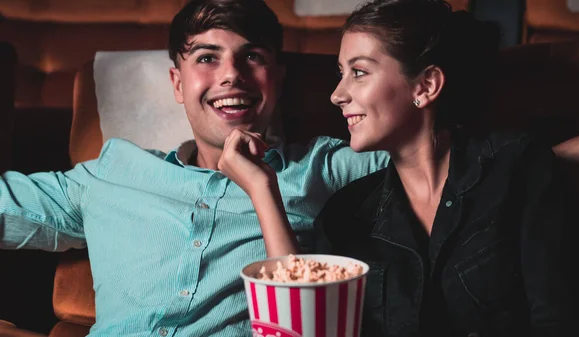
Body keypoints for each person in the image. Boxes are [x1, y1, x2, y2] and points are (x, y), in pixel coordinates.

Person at [0, 1, 389, 336]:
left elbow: (433, 157)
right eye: (206, 57)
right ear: (177, 83)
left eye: (253, 56)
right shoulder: (111, 172)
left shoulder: (327, 168)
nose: (232, 74)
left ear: (278, 80)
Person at [223, 0, 579, 336]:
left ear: (426, 86)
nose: (337, 94)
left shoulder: (516, 166)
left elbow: (558, 321)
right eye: (340, 73)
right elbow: (303, 325)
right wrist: (262, 190)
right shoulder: (347, 214)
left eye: (358, 72)